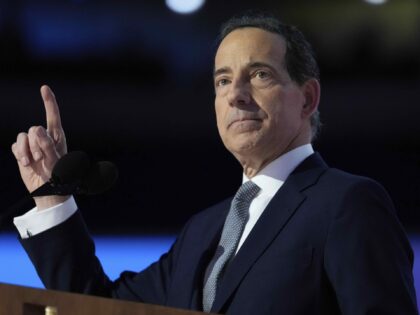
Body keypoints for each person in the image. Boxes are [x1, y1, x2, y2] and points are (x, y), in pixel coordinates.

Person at [11, 12, 418, 315]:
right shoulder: (203, 232)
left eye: (259, 75)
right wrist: (53, 202)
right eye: (222, 81)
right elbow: (102, 308)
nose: (236, 95)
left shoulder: (348, 205)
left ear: (308, 99)